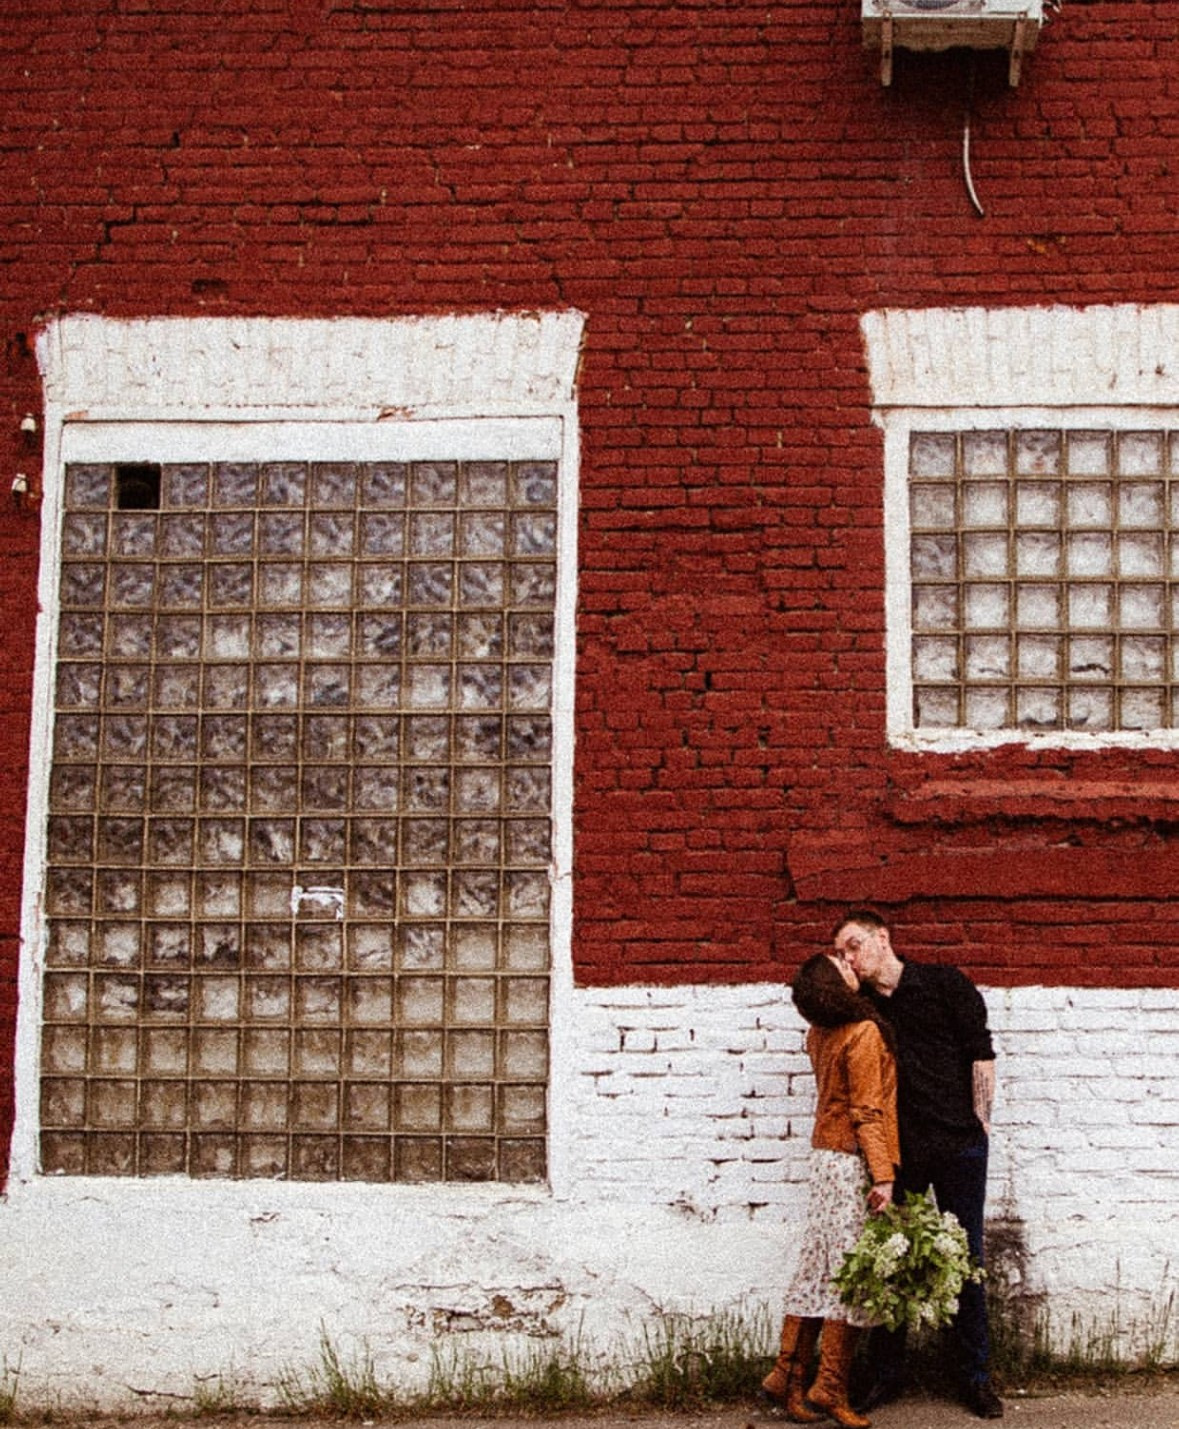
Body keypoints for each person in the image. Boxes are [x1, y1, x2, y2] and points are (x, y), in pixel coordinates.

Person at [834, 908, 1004, 1421]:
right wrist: (842, 983)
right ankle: (887, 1373)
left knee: (966, 1260)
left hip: (958, 1147)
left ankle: (974, 1376)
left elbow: (981, 1056)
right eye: (842, 953)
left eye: (854, 946)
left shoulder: (945, 984)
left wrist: (980, 1126)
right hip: (900, 1153)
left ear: (883, 938)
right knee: (893, 1262)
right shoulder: (858, 1007)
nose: (850, 958)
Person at [761, 952, 900, 1428]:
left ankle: (788, 1375)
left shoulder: (819, 1032)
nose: (850, 964)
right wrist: (883, 1174)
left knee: (818, 1269)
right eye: (841, 964)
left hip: (825, 1158)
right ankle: (830, 1387)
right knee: (849, 1275)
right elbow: (867, 1111)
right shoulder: (863, 1033)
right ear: (832, 986)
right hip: (849, 1162)